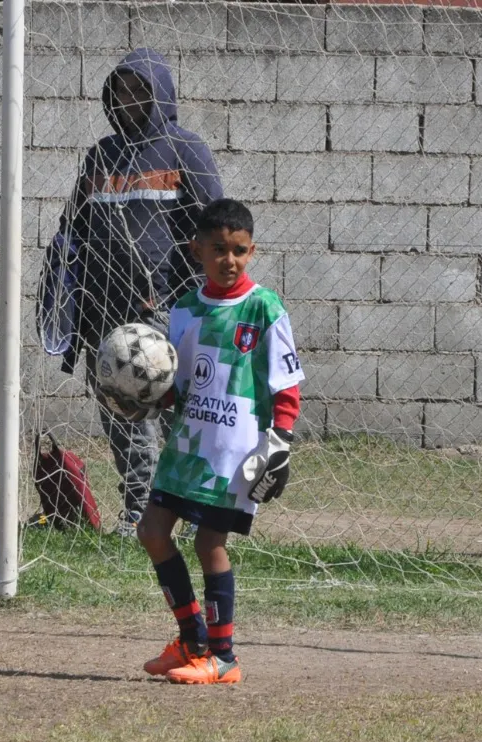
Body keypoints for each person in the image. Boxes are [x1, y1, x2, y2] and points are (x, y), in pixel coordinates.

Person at [43, 48, 223, 537]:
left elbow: (214, 225)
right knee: (123, 417)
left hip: (165, 309)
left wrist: (196, 294)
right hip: (105, 312)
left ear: (160, 94)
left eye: (141, 90)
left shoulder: (185, 149)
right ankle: (139, 511)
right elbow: (74, 226)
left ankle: (189, 509)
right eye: (122, 90)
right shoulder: (101, 155)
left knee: (177, 414)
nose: (130, 99)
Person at [131, 199, 304, 685]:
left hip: (235, 453)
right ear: (197, 250)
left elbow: (286, 384)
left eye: (239, 251)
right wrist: (140, 397)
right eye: (218, 250)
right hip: (187, 447)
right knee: (152, 532)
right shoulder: (184, 311)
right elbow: (177, 385)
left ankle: (223, 657)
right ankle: (191, 640)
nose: (229, 260)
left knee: (210, 542)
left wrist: (281, 443)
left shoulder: (264, 308)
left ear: (251, 251)